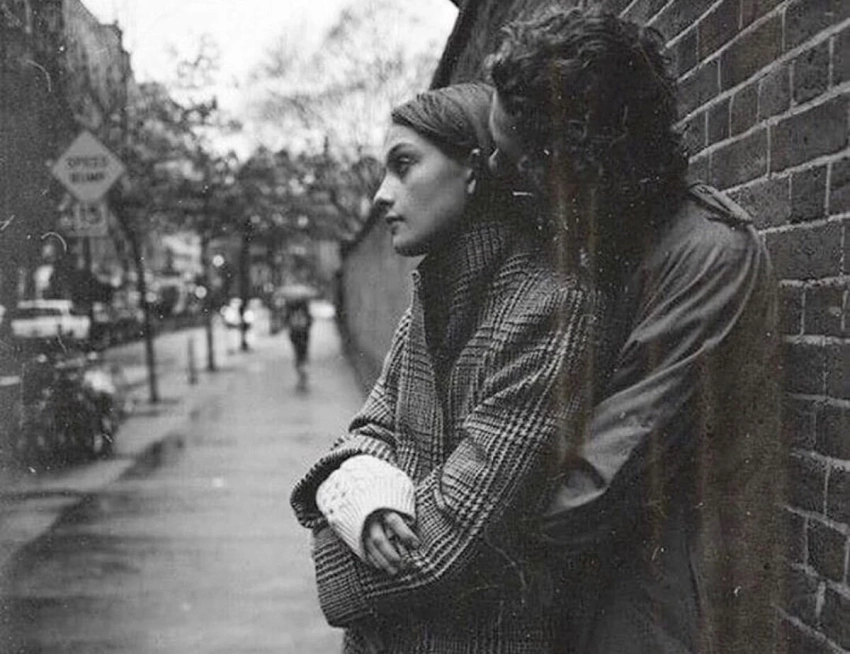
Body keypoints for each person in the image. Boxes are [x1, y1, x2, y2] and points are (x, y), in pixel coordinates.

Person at [486, 8, 785, 654]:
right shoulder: (616, 245)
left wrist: (455, 527)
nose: (496, 173)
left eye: (516, 160)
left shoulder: (709, 258)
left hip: (667, 625)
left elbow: (599, 482)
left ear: (577, 158)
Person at [290, 83, 607, 653]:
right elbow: (369, 428)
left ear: (473, 170)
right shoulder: (431, 300)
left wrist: (338, 529)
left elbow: (444, 546)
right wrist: (362, 496)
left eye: (404, 165)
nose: (381, 196)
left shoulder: (551, 310)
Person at [284, 298, 313, 381]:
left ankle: (300, 369)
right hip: (303, 333)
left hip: (295, 333)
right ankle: (303, 368)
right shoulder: (305, 308)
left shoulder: (290, 308)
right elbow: (310, 320)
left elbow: (286, 321)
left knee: (297, 352)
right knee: (303, 351)